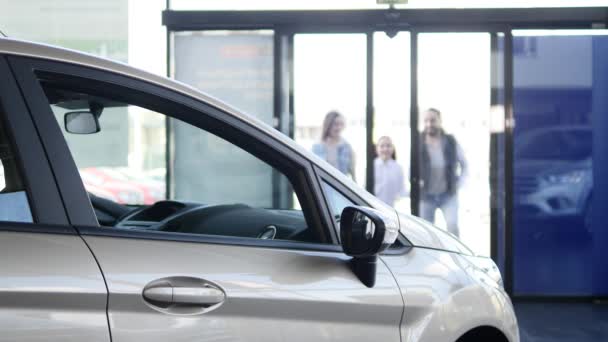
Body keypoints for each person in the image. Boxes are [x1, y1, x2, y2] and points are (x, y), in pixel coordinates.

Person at [419, 108, 468, 237]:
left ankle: (455, 256)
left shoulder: (450, 141)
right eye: (426, 121)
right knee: (425, 233)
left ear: (440, 121)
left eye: (433, 120)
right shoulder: (418, 141)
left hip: (448, 195)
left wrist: (459, 184)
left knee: (452, 227)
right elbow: (411, 167)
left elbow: (464, 164)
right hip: (426, 196)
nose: (429, 124)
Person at [312, 111, 356, 180]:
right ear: (328, 125)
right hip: (321, 188)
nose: (339, 128)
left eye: (341, 124)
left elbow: (353, 174)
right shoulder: (317, 147)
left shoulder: (347, 147)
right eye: (336, 124)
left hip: (341, 188)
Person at [374, 136, 405, 207]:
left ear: (392, 148)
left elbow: (401, 190)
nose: (385, 149)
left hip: (391, 208)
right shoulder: (371, 167)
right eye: (382, 146)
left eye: (388, 146)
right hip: (373, 206)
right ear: (377, 149)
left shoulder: (398, 168)